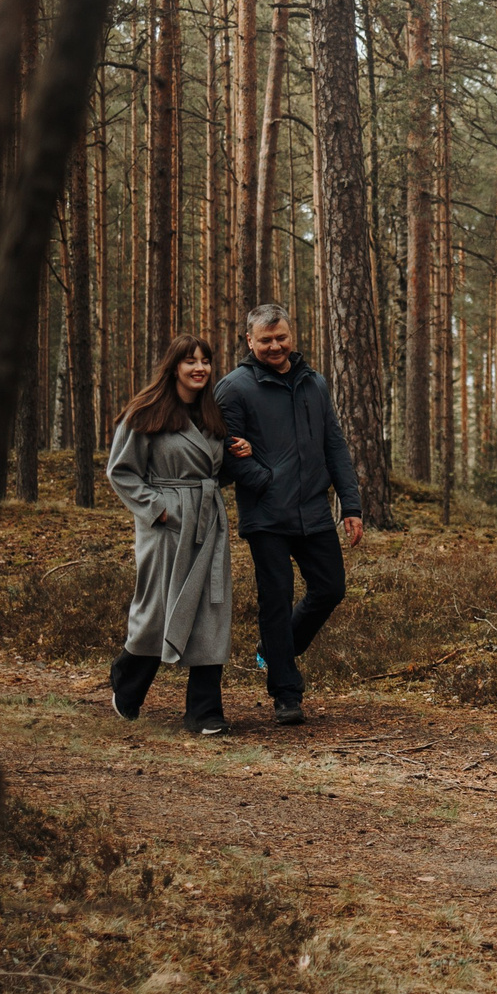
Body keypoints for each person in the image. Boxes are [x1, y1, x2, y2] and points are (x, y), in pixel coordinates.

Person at [106, 335, 271, 734]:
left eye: (205, 361)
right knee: (158, 608)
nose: (199, 368)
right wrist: (157, 509)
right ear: (173, 367)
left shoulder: (212, 414)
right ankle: (127, 683)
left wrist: (242, 453)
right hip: (165, 527)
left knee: (211, 609)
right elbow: (121, 471)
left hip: (208, 522)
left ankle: (204, 710)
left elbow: (212, 474)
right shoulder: (144, 413)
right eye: (190, 361)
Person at [215, 304, 362, 725]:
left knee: (330, 589)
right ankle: (286, 692)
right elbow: (227, 453)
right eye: (266, 340)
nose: (275, 346)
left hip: (314, 511)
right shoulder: (233, 388)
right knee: (275, 601)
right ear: (249, 341)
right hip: (266, 516)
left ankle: (272, 651)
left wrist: (349, 505)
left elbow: (334, 445)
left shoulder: (314, 383)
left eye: (281, 337)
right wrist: (266, 480)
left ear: (291, 334)